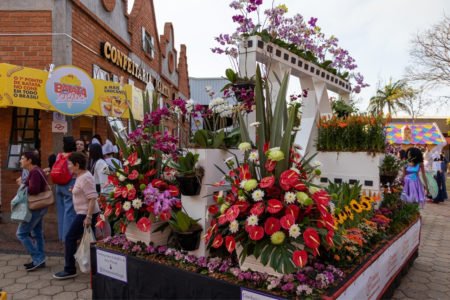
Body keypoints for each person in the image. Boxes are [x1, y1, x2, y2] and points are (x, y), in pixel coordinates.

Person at [53, 152, 99, 279]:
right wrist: (73, 191)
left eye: (70, 164)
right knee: (89, 241)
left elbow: (92, 198)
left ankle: (70, 269)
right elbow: (84, 192)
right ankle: (93, 268)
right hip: (83, 213)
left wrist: (88, 217)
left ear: (77, 165)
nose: (68, 167)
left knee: (70, 238)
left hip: (85, 214)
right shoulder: (80, 175)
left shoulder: (85, 177)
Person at [16, 150, 48, 271]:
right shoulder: (37, 170)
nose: (20, 160)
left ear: (29, 160)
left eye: (22, 158)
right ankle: (40, 260)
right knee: (37, 233)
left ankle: (38, 258)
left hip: (35, 207)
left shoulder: (34, 172)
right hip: (40, 207)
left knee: (21, 233)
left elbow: (34, 189)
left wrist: (22, 185)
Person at [54, 136, 77, 243]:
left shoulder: (59, 155)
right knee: (69, 212)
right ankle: (66, 238)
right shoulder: (74, 156)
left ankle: (60, 236)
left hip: (58, 185)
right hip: (69, 185)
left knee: (61, 211)